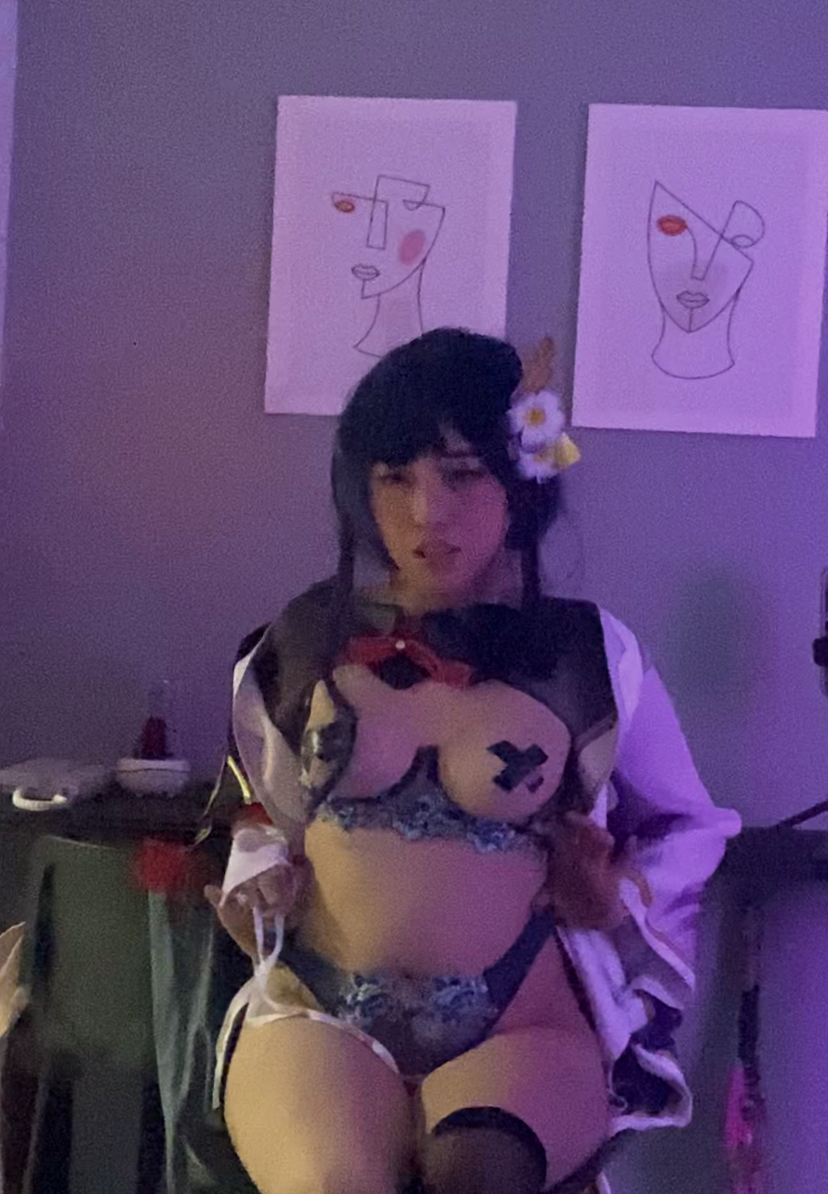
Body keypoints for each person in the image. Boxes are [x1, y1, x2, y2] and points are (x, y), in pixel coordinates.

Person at [203, 328, 741, 1194]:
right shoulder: (300, 642)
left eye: (461, 474)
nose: (427, 512)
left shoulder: (591, 656)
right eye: (395, 478)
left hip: (523, 1024)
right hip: (319, 1013)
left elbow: (690, 824)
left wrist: (614, 902)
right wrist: (258, 885)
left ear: (521, 475)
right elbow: (264, 810)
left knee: (480, 1174)